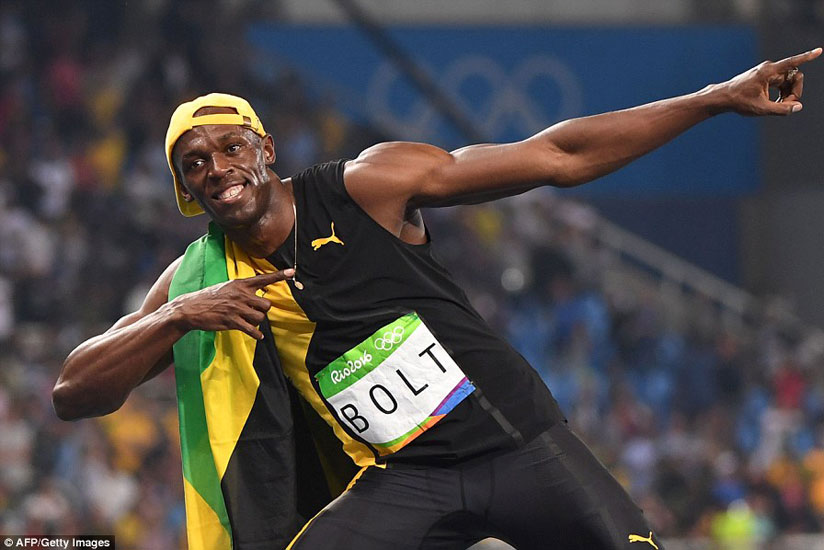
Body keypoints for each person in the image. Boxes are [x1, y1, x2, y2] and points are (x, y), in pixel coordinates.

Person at [53, 47, 821, 550]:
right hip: (404, 477)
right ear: (185, 190)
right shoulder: (197, 278)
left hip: (519, 445)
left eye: (230, 147)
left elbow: (555, 156)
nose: (217, 167)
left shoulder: (366, 185)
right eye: (194, 164)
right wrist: (181, 315)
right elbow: (73, 391)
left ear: (266, 150)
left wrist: (718, 97)